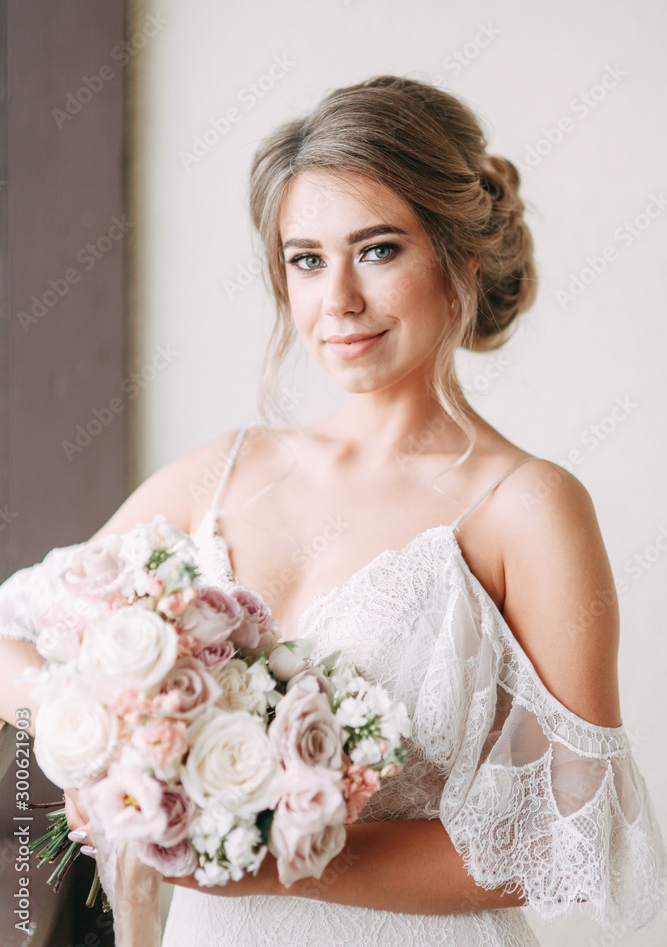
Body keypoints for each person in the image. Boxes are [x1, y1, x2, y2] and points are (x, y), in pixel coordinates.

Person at [0, 75, 664, 946]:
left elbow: (559, 842)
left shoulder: (528, 507)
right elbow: (13, 636)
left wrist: (272, 858)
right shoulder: (225, 472)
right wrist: (106, 730)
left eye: (378, 250)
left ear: (460, 253)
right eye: (306, 259)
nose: (338, 300)